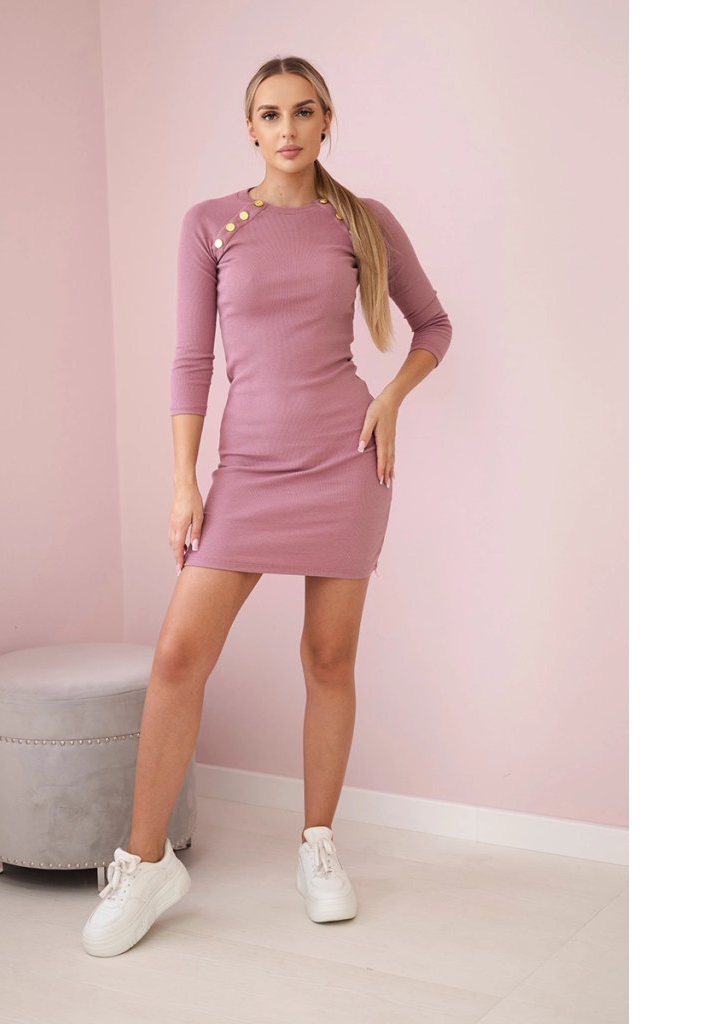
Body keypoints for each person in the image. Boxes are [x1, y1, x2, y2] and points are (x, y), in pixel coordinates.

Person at [81, 55, 452, 958]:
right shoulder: (211, 224)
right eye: (272, 113)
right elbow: (191, 360)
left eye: (305, 111)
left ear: (328, 122)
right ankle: (145, 863)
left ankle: (318, 845)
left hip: (343, 464)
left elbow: (434, 326)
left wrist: (390, 398)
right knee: (178, 657)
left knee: (328, 659)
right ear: (250, 128)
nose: (289, 128)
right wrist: (184, 481)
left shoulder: (362, 222)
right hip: (246, 470)